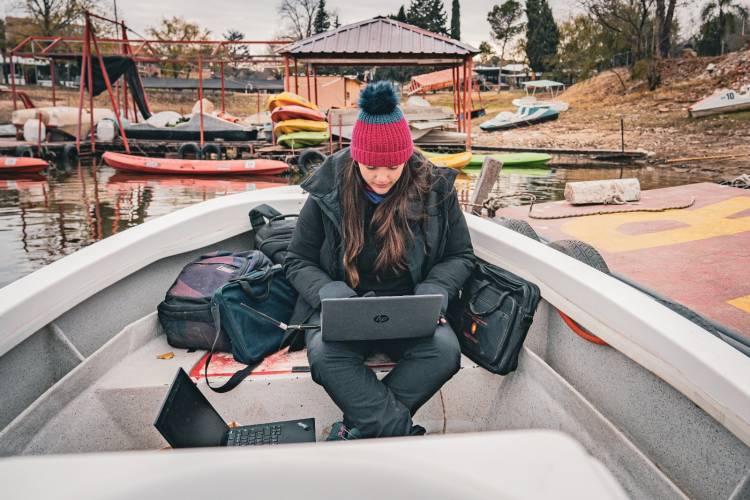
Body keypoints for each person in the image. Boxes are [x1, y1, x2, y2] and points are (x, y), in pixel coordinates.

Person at [284, 81, 475, 440]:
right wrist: (330, 293)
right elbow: (297, 259)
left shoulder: (436, 188)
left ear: (406, 156)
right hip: (343, 307)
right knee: (325, 357)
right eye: (371, 167)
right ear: (356, 157)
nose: (382, 177)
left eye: (393, 166)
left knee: (445, 352)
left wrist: (433, 290)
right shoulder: (328, 187)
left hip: (411, 307)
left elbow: (460, 255)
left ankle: (357, 431)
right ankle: (396, 434)